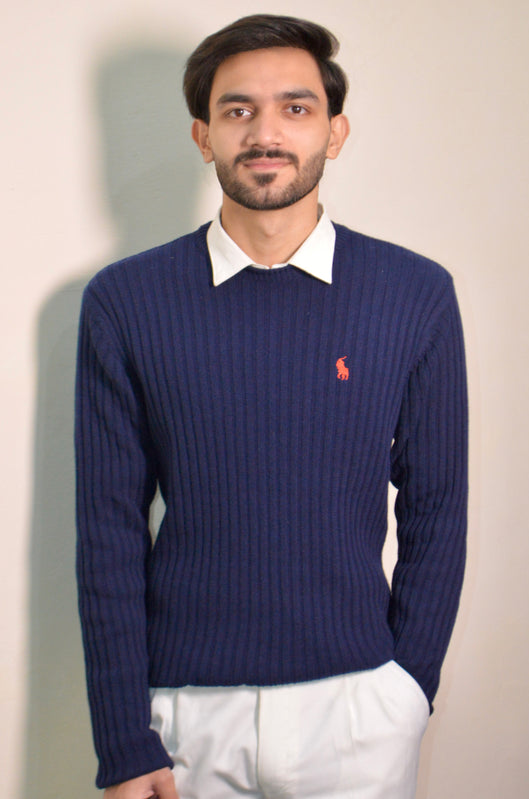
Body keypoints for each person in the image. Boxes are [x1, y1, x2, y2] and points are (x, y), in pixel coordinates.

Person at [75, 14, 468, 799]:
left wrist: (407, 686)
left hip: (358, 709)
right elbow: (109, 530)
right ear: (202, 134)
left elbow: (437, 504)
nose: (265, 133)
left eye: (295, 107)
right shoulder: (125, 301)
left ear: (334, 131)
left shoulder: (413, 293)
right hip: (185, 719)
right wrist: (123, 735)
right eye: (237, 110)